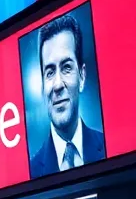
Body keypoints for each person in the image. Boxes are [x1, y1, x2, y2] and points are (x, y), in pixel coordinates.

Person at [29, 14, 106, 178]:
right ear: (43, 86)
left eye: (66, 68)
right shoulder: (32, 170)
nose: (57, 85)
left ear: (82, 77)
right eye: (50, 72)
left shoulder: (108, 148)